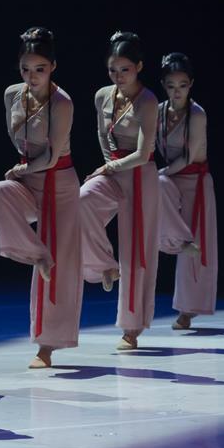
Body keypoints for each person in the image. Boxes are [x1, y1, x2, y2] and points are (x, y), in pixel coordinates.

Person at [0, 27, 82, 368]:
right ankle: (35, 253)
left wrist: (23, 169)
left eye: (39, 69)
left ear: (52, 66)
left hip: (59, 182)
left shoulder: (62, 101)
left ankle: (47, 348)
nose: (31, 76)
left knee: (61, 270)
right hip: (28, 180)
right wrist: (23, 170)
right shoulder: (13, 94)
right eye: (26, 69)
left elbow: (53, 156)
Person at [80, 31, 159, 350]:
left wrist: (109, 167)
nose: (118, 76)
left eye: (125, 69)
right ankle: (104, 266)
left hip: (140, 174)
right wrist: (107, 164)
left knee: (137, 251)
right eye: (113, 69)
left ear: (139, 66)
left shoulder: (148, 100)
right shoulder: (102, 96)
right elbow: (102, 135)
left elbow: (142, 153)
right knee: (80, 201)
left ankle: (132, 328)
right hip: (112, 171)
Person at [156, 52, 217, 329]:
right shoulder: (158, 111)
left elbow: (190, 156)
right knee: (154, 187)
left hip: (193, 179)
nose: (176, 91)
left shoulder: (197, 114)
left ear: (190, 84)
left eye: (182, 85)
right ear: (164, 85)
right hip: (170, 179)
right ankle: (178, 241)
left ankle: (187, 311)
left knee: (198, 246)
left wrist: (160, 172)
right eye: (171, 85)